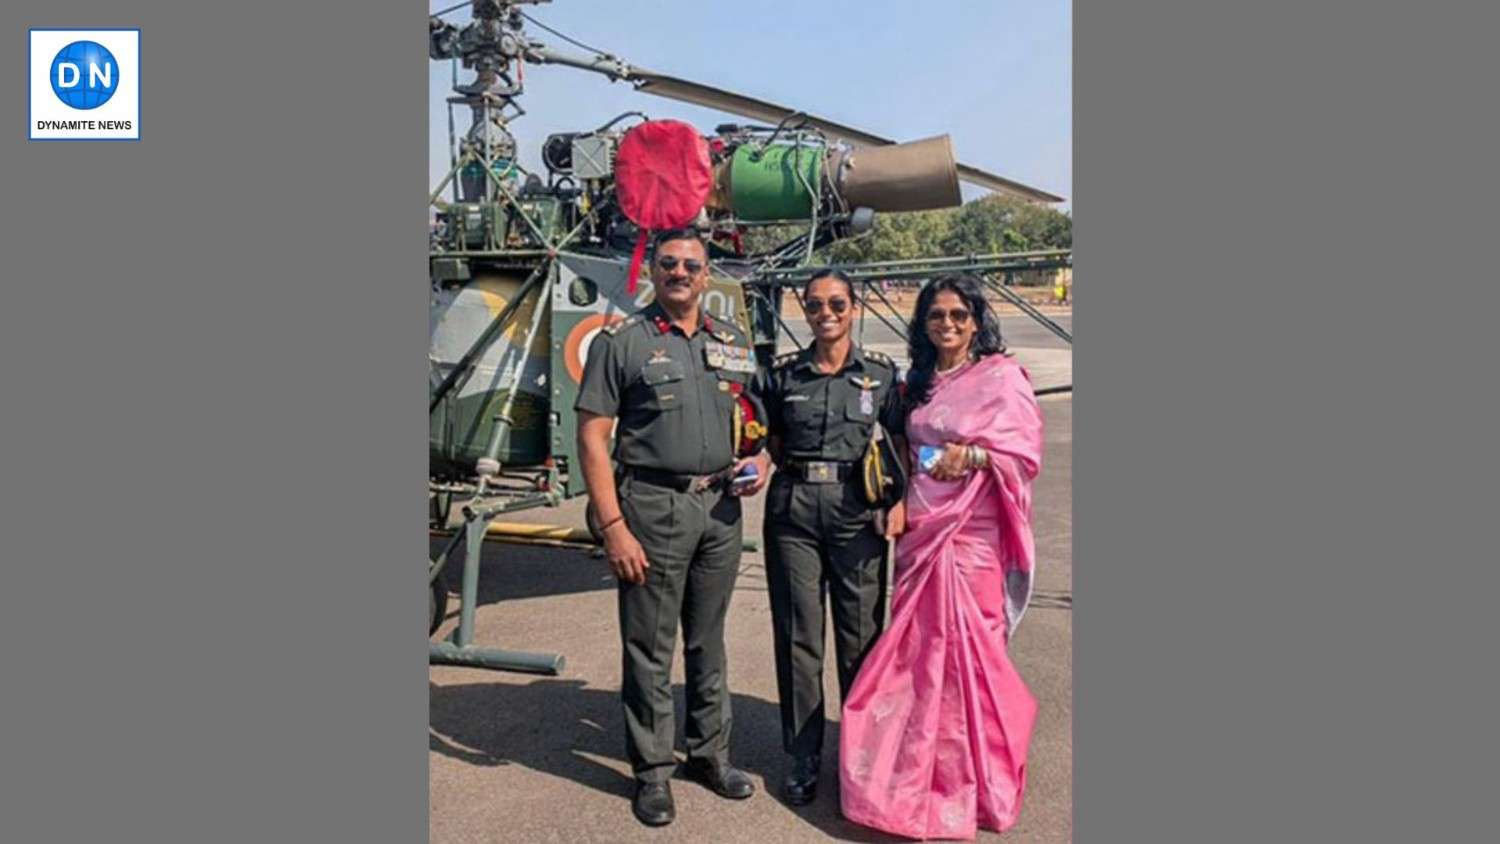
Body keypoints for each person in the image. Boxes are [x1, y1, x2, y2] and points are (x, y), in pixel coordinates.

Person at [575, 228, 771, 827]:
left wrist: (760, 462)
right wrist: (613, 525)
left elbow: (756, 418)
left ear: (706, 275)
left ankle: (709, 754)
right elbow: (591, 435)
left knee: (708, 641)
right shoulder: (624, 344)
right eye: (668, 264)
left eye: (691, 264)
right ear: (653, 273)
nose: (680, 273)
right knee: (650, 647)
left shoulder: (731, 340)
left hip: (719, 510)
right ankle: (653, 772)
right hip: (652, 507)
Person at [839, 274, 1045, 840]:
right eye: (936, 316)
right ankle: (910, 777)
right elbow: (903, 449)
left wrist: (977, 454)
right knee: (917, 658)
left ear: (977, 320)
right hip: (922, 532)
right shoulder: (919, 383)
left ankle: (969, 787)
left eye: (958, 315)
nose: (947, 325)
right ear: (923, 323)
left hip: (971, 539)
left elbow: (1023, 455)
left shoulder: (1001, 379)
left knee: (966, 663)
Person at [752, 270, 903, 806]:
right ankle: (803, 754)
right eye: (815, 305)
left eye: (836, 303)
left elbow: (902, 440)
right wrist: (755, 462)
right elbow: (763, 437)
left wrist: (899, 500)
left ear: (854, 306)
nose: (826, 313)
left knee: (860, 641)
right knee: (798, 639)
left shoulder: (881, 376)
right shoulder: (784, 375)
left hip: (856, 515)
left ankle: (860, 753)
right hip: (793, 511)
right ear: (806, 311)